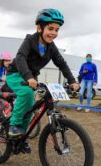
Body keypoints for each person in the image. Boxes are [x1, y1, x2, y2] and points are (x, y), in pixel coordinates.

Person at [6, 8, 80, 153]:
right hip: (16, 74)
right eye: (50, 28)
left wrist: (72, 81)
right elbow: (20, 58)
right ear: (39, 27)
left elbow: (61, 63)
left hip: (31, 77)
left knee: (32, 105)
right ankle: (13, 126)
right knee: (27, 94)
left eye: (57, 30)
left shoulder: (51, 47)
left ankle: (22, 135)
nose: (54, 33)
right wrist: (28, 77)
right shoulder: (30, 40)